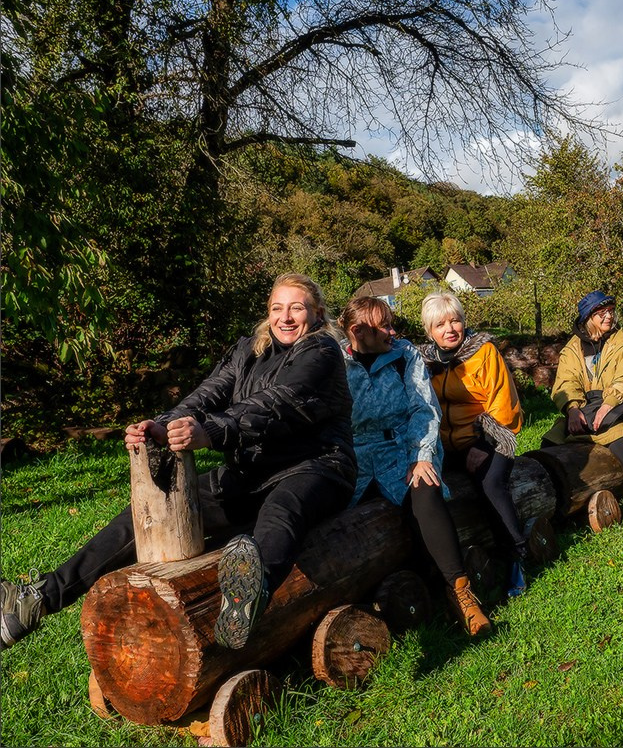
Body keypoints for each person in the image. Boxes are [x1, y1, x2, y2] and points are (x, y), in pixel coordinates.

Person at [1, 274, 357, 651]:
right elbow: (208, 393)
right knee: (143, 516)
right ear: (267, 313)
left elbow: (279, 403)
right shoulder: (249, 350)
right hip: (251, 472)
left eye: (296, 308)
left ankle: (246, 602)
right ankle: (39, 598)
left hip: (316, 466)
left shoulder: (322, 352)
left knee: (282, 510)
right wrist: (161, 424)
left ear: (317, 315)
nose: (286, 317)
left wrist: (213, 431)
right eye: (277, 308)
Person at [339, 295, 491, 636]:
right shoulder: (334, 363)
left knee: (425, 492)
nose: (393, 330)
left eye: (392, 323)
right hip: (356, 455)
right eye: (384, 326)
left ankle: (461, 593)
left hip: (403, 445)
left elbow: (423, 409)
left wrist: (421, 455)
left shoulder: (404, 355)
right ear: (357, 331)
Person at [418, 292, 528, 598]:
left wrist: (483, 444)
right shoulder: (424, 361)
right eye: (440, 324)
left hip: (488, 436)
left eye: (455, 320)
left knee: (491, 485)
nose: (450, 329)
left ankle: (516, 555)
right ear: (430, 331)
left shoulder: (484, 352)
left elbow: (503, 404)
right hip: (443, 443)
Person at [543, 291, 623, 517]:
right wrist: (572, 409)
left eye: (611, 311)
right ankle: (552, 506)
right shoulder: (573, 348)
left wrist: (608, 405)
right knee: (549, 443)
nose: (609, 317)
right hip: (585, 410)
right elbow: (566, 381)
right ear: (588, 318)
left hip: (621, 407)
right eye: (602, 313)